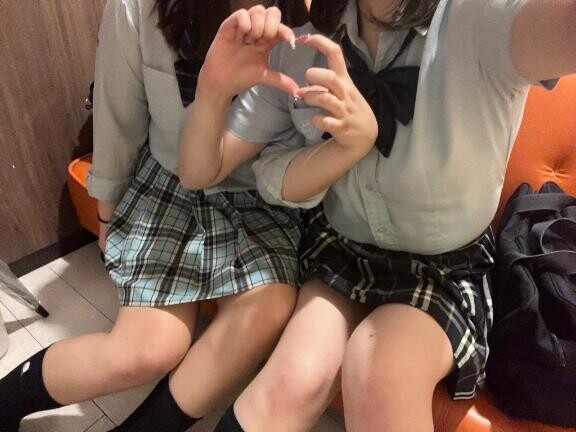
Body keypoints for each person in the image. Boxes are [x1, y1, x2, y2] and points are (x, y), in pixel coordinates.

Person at [177, 0, 576, 430]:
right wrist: (213, 89)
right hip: (341, 250)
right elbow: (199, 172)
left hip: (445, 267)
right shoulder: (303, 45)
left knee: (381, 368)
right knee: (290, 382)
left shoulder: (481, 17)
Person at [0, 1, 309, 432]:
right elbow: (118, 113)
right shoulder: (137, 7)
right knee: (147, 349)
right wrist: (106, 214)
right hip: (170, 180)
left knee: (266, 309)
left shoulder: (310, 21)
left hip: (262, 192)